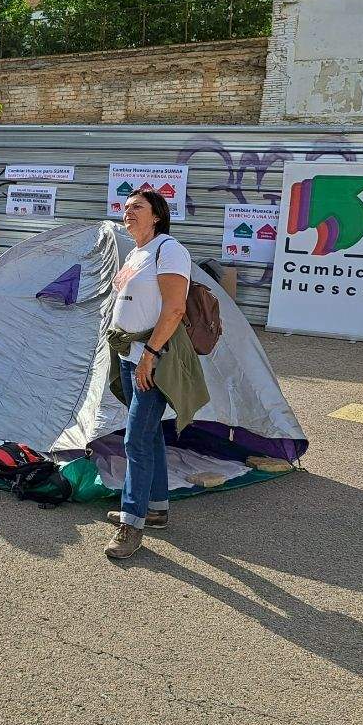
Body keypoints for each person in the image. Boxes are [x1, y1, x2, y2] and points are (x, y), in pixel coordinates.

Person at [103, 188, 209, 561]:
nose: (127, 212)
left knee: (135, 441)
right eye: (126, 207)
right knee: (149, 437)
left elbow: (175, 308)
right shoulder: (135, 252)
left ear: (158, 215)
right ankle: (157, 507)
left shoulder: (170, 250)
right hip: (131, 355)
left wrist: (150, 354)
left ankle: (132, 525)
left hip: (154, 359)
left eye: (137, 208)